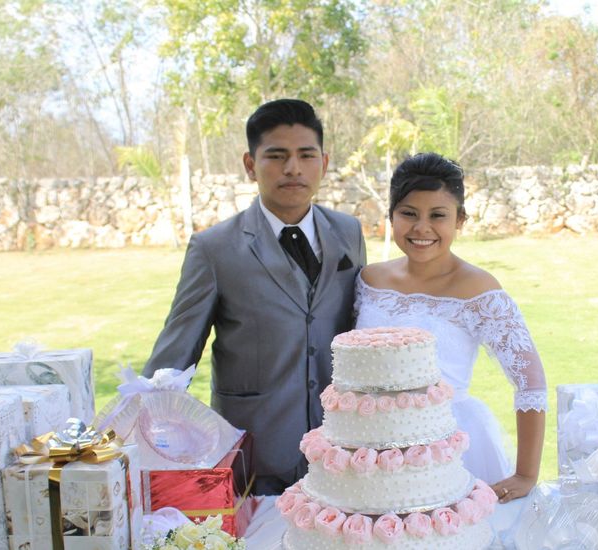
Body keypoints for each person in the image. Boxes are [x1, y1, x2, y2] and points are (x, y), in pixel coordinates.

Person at [143, 99, 366, 495]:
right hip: (254, 455)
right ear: (250, 165)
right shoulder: (213, 249)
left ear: (324, 163)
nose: (293, 168)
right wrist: (146, 433)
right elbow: (175, 355)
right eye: (276, 156)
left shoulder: (348, 232)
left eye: (305, 155)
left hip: (344, 450)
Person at [354, 152, 547, 503]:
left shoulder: (478, 288)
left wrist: (526, 474)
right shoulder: (370, 279)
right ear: (391, 216)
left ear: (460, 220)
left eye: (437, 215)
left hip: (449, 444)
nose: (421, 228)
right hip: (371, 440)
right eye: (408, 214)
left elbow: (530, 381)